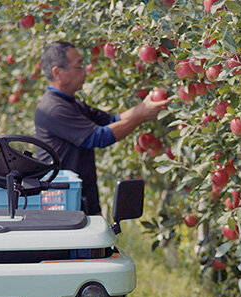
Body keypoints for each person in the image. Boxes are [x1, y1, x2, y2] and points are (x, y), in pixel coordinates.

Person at [34, 40, 167, 215]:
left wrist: (144, 107)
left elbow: (112, 120)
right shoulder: (53, 109)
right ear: (58, 73)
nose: (84, 72)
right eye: (79, 66)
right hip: (63, 208)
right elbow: (99, 137)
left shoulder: (71, 103)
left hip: (80, 200)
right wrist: (140, 115)